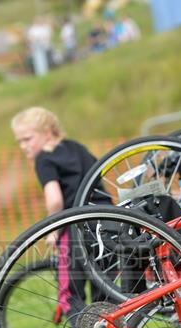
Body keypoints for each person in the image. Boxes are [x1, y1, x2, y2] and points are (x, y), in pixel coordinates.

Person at [10, 107, 110, 315]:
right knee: (105, 293)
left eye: (27, 139)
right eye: (19, 141)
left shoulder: (44, 159)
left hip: (76, 226)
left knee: (69, 297)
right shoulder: (76, 147)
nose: (23, 146)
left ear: (47, 132)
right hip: (107, 220)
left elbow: (54, 199)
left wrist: (54, 231)